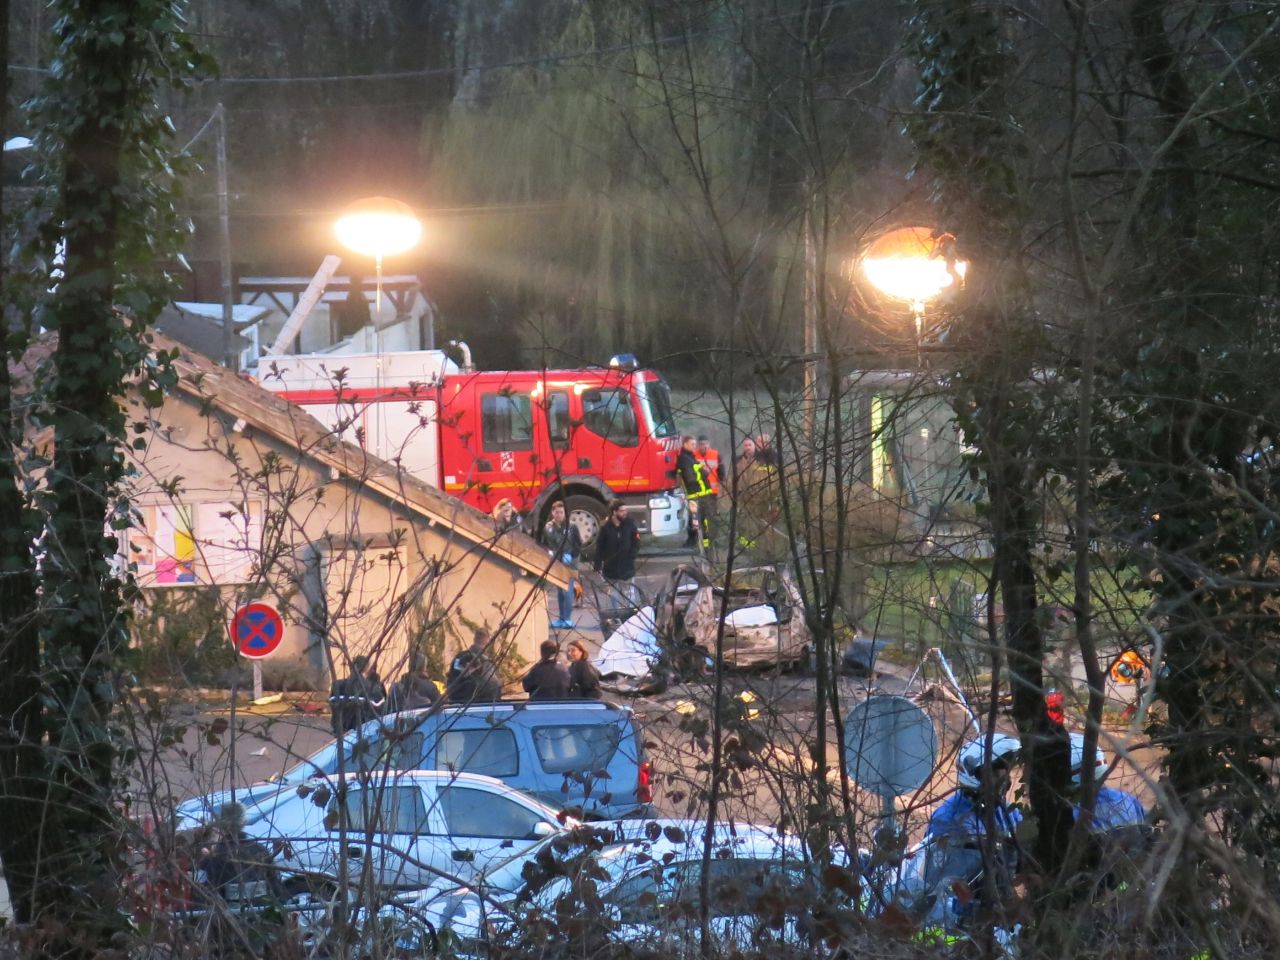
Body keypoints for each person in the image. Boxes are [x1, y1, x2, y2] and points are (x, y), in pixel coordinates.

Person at [926, 733, 1023, 840]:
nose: (1004, 779)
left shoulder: (1009, 812)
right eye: (995, 773)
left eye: (1006, 772)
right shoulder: (947, 819)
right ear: (975, 776)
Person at [542, 500, 583, 629]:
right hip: (556, 562)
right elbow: (545, 543)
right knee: (560, 591)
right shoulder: (548, 527)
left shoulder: (572, 527)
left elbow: (578, 544)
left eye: (561, 512)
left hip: (570, 563)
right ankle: (561, 618)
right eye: (556, 512)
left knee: (568, 591)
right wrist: (549, 553)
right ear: (553, 513)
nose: (559, 514)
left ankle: (567, 618)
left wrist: (571, 555)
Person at [328, 655, 387, 735]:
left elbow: (334, 708)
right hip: (364, 732)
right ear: (366, 668)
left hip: (341, 731)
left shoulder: (337, 686)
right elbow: (381, 713)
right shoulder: (373, 689)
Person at [676, 435, 715, 553]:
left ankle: (706, 544)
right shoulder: (684, 459)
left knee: (703, 521)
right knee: (696, 521)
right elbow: (691, 477)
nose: (695, 446)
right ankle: (695, 543)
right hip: (696, 495)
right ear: (685, 445)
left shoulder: (690, 457)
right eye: (692, 444)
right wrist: (704, 472)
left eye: (694, 444)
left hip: (701, 494)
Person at [595, 499, 641, 599]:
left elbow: (636, 541)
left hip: (627, 567)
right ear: (614, 512)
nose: (625, 513)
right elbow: (599, 546)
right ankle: (615, 613)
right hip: (611, 568)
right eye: (621, 511)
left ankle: (630, 613)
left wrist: (632, 555)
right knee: (613, 594)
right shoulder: (605, 527)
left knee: (629, 594)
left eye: (625, 510)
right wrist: (598, 563)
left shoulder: (629, 524)